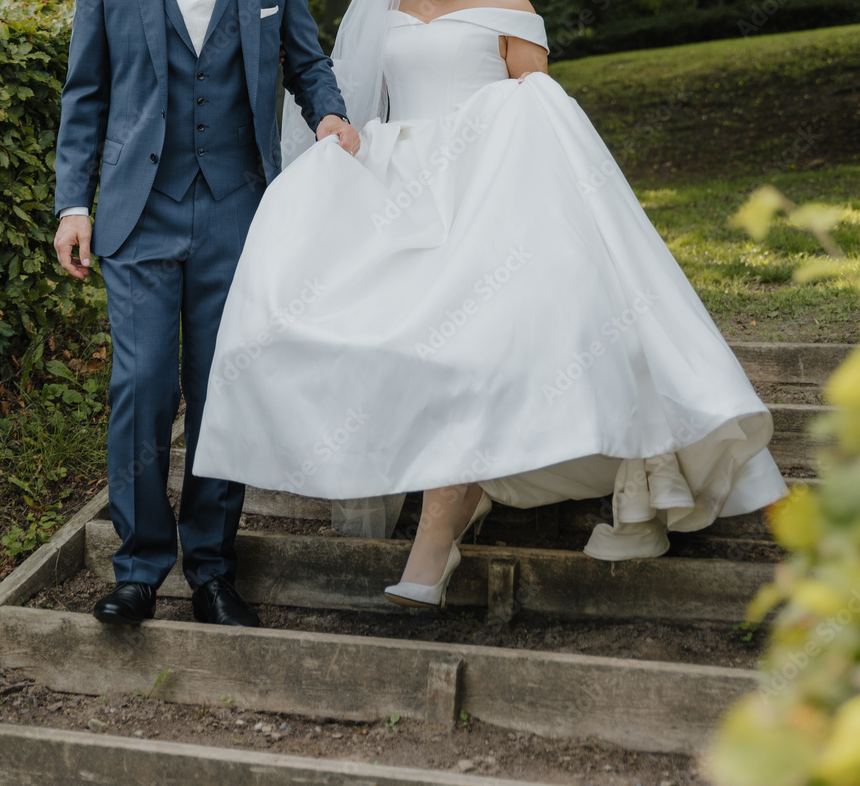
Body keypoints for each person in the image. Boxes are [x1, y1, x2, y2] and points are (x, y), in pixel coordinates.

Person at [192, 0, 789, 609]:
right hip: (405, 187)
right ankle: (450, 498)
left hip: (496, 189)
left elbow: (541, 108)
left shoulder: (510, 5)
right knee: (345, 317)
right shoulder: (378, 8)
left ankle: (441, 522)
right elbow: (360, 96)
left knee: (476, 333)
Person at [53, 0, 359, 626]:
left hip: (237, 211)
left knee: (221, 392)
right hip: (140, 216)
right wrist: (72, 205)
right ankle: (138, 571)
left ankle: (213, 573)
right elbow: (85, 91)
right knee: (142, 388)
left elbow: (307, 61)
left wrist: (330, 113)